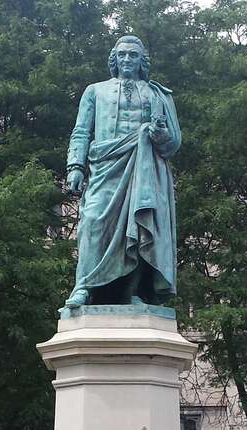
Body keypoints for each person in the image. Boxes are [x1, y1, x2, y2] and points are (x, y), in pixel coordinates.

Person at [65, 35, 181, 308]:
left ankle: (134, 292)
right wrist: (75, 166)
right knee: (93, 221)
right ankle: (84, 286)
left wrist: (161, 135)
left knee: (141, 225)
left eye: (133, 55)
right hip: (105, 165)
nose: (127, 59)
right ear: (114, 59)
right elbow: (81, 131)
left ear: (142, 61)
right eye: (122, 55)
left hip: (145, 169)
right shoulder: (95, 91)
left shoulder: (157, 95)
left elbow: (173, 143)